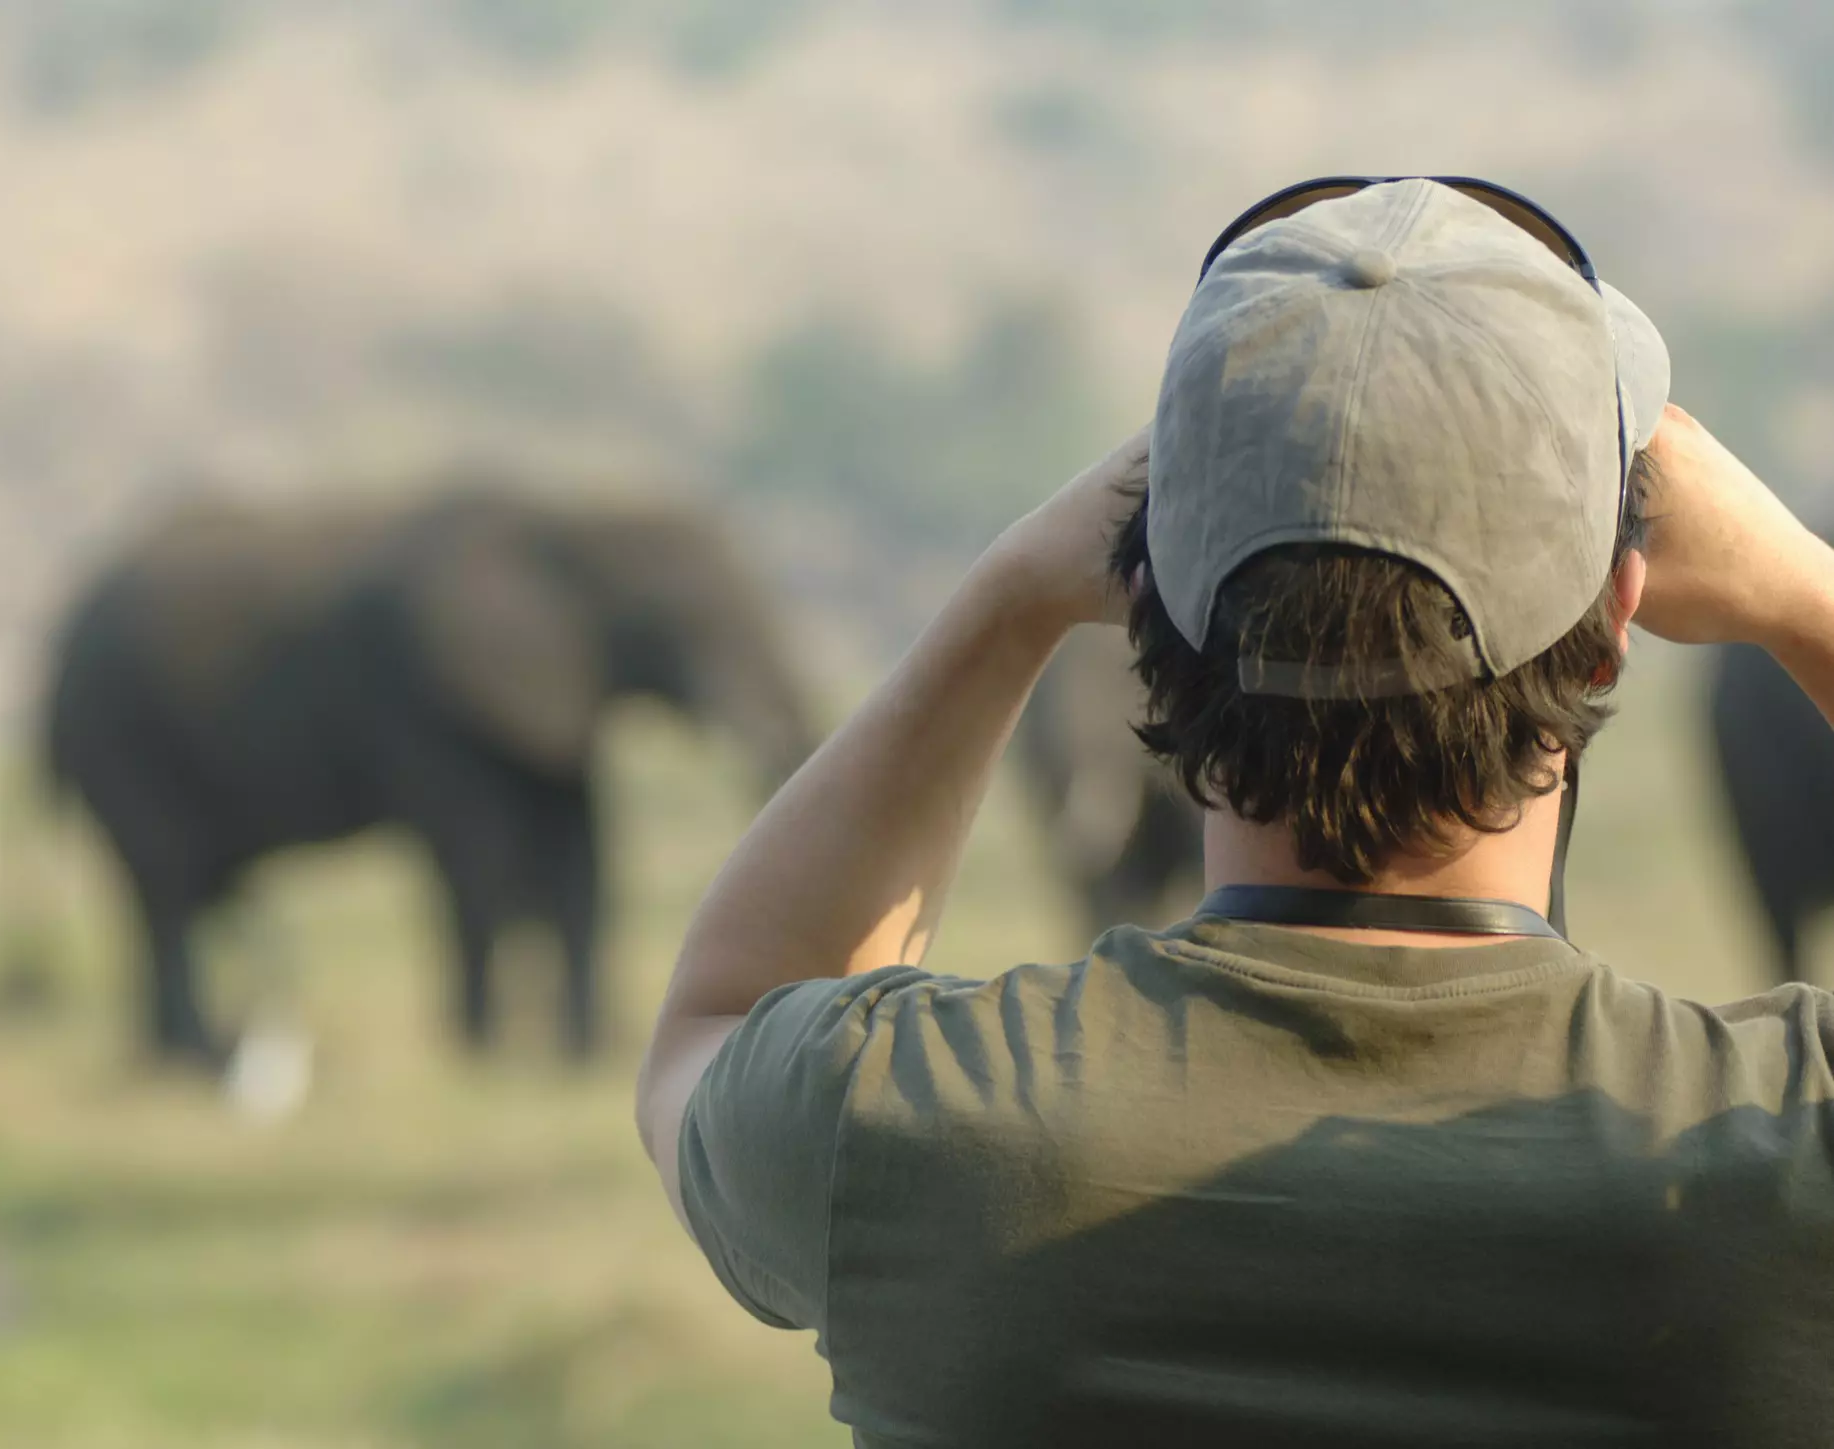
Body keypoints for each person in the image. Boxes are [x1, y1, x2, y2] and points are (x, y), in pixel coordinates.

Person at [634, 178, 1834, 1446]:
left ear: (1149, 626)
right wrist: (1805, 592)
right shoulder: (1770, 1155)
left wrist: (1010, 598)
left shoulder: (903, 1124)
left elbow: (717, 1023)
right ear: (1609, 634)